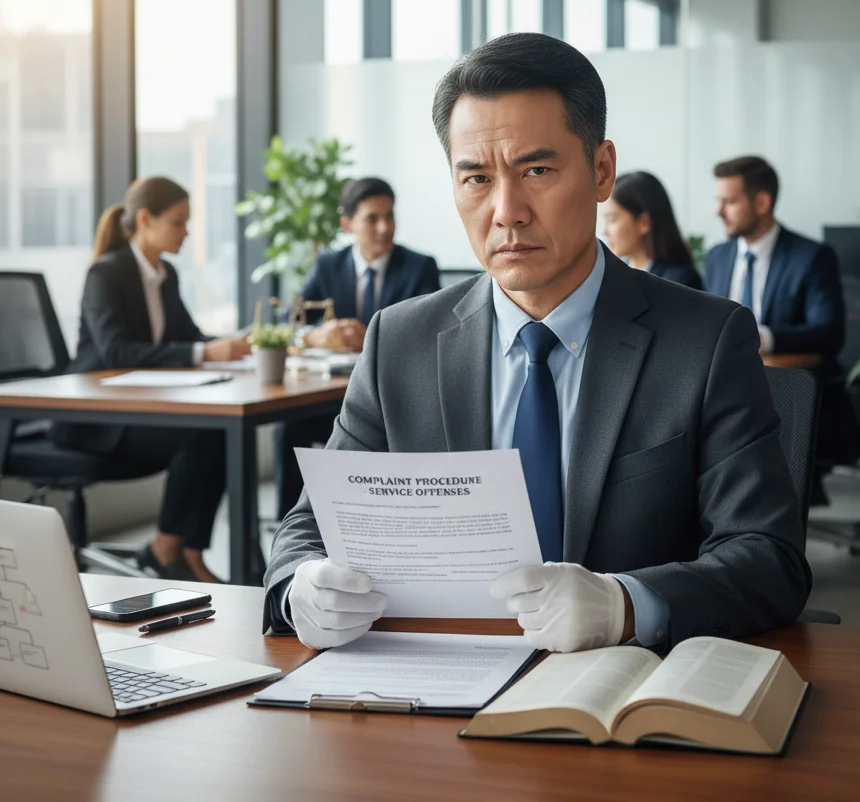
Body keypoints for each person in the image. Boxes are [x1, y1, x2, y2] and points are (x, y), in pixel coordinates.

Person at [264, 32, 810, 652]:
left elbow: (768, 558)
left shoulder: (705, 341)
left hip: (619, 698)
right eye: (475, 178)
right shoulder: (401, 340)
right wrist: (300, 585)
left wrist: (626, 603)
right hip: (434, 692)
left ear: (602, 171)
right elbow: (309, 526)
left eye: (537, 170)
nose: (507, 210)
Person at [53, 177, 250, 582]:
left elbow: (188, 338)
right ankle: (165, 550)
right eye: (178, 222)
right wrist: (202, 352)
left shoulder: (165, 274)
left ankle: (188, 552)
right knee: (201, 435)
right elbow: (115, 353)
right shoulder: (106, 274)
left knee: (219, 433)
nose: (187, 232)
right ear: (145, 219)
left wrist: (230, 344)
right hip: (93, 418)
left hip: (137, 409)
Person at [274, 177, 441, 518]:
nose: (384, 227)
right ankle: (289, 531)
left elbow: (431, 337)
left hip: (393, 402)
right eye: (372, 218)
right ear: (347, 224)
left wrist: (372, 338)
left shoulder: (418, 267)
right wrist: (315, 335)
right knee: (289, 429)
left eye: (389, 217)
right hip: (332, 397)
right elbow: (285, 322)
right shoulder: (328, 265)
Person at [703, 156, 844, 361]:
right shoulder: (717, 257)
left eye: (730, 202)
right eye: (718, 201)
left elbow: (829, 333)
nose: (719, 212)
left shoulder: (812, 257)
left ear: (761, 203)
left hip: (785, 382)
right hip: (720, 380)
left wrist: (760, 338)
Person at [602, 171, 703, 290]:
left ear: (643, 222)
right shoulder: (613, 277)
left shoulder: (678, 282)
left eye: (612, 219)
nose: (604, 231)